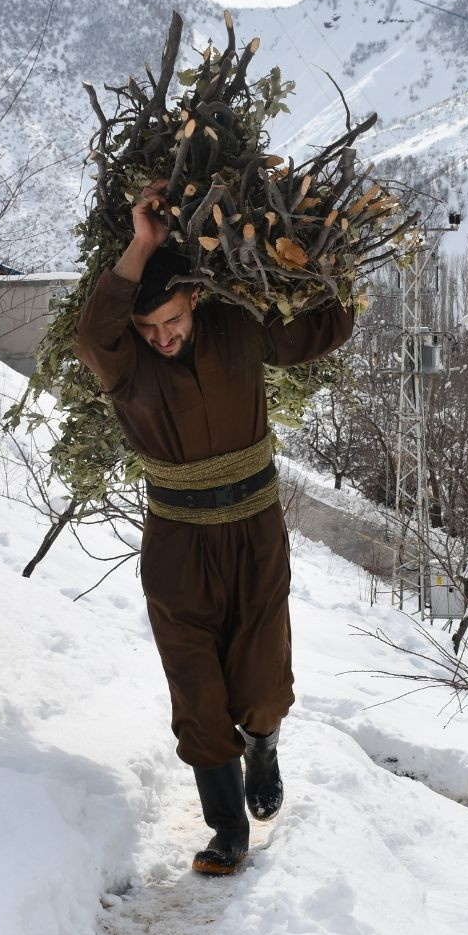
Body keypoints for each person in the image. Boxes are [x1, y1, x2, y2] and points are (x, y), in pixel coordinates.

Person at [73, 180, 355, 875]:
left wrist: (327, 265)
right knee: (198, 693)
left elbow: (317, 330)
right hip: (178, 545)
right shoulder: (125, 367)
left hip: (257, 533)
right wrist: (142, 244)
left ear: (194, 298)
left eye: (171, 320)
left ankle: (263, 745)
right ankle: (227, 826)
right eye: (149, 330)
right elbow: (91, 334)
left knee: (260, 684)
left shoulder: (235, 326)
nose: (162, 338)